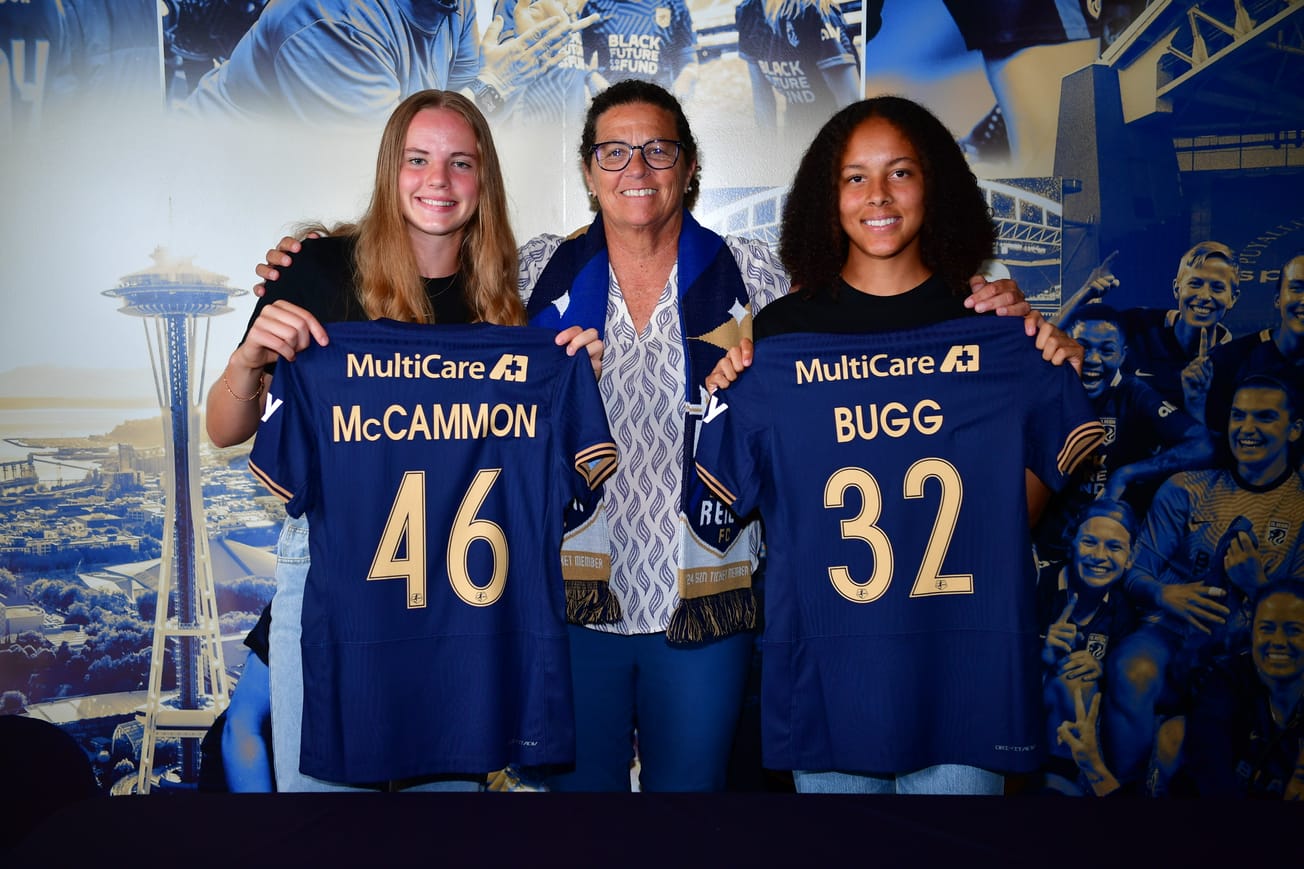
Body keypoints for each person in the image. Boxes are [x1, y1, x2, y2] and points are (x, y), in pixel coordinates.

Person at [256, 79, 1048, 793]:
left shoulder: (758, 278)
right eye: (614, 151)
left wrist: (986, 311)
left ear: (690, 165)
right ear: (590, 169)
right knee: (585, 822)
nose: (637, 168)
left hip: (702, 599)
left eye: (658, 149)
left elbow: (867, 336)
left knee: (689, 811)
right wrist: (311, 255)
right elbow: (424, 312)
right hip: (571, 593)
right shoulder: (531, 274)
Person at [694, 95, 1102, 795]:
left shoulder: (988, 319)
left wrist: (1045, 359)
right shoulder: (783, 334)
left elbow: (1032, 487)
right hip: (832, 675)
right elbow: (729, 489)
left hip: (961, 675)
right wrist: (727, 388)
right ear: (829, 197)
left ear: (933, 185)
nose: (877, 195)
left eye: (900, 172)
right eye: (855, 177)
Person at [207, 89, 604, 792]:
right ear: (392, 170)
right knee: (323, 811)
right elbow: (225, 428)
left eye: (460, 163)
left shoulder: (502, 307)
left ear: (484, 183)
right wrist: (248, 364)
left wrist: (569, 383)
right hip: (340, 576)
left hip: (461, 591)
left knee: (441, 814)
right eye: (418, 160)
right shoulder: (317, 268)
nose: (438, 181)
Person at [1103, 374, 1304, 785]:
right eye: (1238, 417)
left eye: (1264, 418)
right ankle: (1124, 802)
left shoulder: (1300, 507)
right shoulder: (1186, 489)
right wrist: (1165, 593)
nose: (1247, 430)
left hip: (1256, 645)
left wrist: (1258, 584)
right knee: (1133, 668)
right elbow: (1134, 573)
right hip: (1173, 631)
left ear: (1295, 428)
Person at [1061, 581, 1304, 799]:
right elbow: (1208, 754)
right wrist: (1093, 765)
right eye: (1267, 629)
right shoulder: (1229, 677)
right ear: (1252, 632)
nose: (1279, 641)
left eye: (1294, 630)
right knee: (1177, 735)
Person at [176, 0, 584, 125]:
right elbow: (387, 161)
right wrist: (495, 82)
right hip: (215, 182)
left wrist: (516, 55)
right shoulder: (330, 17)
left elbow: (468, 126)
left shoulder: (451, 5)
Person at [1033, 304, 1213, 566]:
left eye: (1107, 350)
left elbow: (1203, 445)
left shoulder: (1134, 392)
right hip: (1046, 553)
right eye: (1082, 345)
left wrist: (1127, 474)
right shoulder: (1044, 389)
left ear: (1123, 355)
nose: (1093, 359)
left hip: (1110, 555)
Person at [1057, 240, 1241, 411]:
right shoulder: (1138, 325)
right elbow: (1042, 342)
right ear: (1177, 289)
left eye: (1217, 288)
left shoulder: (1236, 362)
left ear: (1233, 298)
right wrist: (1083, 294)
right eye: (1195, 284)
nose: (1204, 296)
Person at [1036, 499, 1138, 795]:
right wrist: (1041, 652)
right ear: (1072, 545)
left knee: (1080, 683)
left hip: (1080, 728)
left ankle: (1068, 780)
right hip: (1023, 710)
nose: (1100, 556)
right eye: (1090, 543)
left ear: (1130, 559)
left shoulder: (1124, 610)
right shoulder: (1037, 584)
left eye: (1115, 547)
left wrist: (1104, 670)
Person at [1188, 252, 1304, 437]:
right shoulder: (1226, 362)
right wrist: (1196, 402)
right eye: (1297, 288)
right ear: (1277, 298)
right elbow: (1207, 446)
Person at [734, 0, 861, 138]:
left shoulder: (812, 10)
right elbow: (762, 100)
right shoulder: (749, 11)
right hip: (796, 124)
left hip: (832, 128)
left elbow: (850, 102)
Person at [579, 0, 699, 102]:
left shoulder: (674, 4)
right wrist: (594, 80)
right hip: (612, 108)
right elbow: (579, 61)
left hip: (658, 108)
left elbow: (689, 64)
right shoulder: (596, 5)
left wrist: (676, 102)